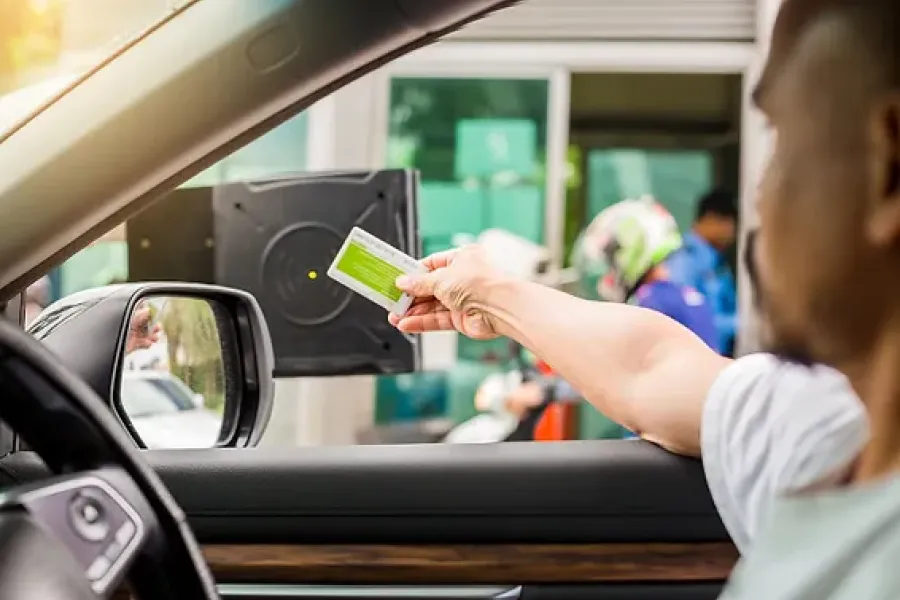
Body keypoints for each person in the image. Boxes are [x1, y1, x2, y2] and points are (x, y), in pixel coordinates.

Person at [390, 0, 900, 595]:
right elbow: (650, 365)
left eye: (784, 140)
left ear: (886, 164)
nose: (758, 202)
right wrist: (491, 294)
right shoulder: (826, 426)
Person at [497, 197, 721, 432]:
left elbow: (614, 366)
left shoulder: (650, 302)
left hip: (666, 441)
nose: (608, 271)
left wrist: (545, 390)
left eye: (612, 256)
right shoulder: (684, 297)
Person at [665, 189, 739, 355]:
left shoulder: (718, 261)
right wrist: (741, 325)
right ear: (710, 218)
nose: (732, 231)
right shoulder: (684, 261)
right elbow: (687, 318)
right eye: (729, 222)